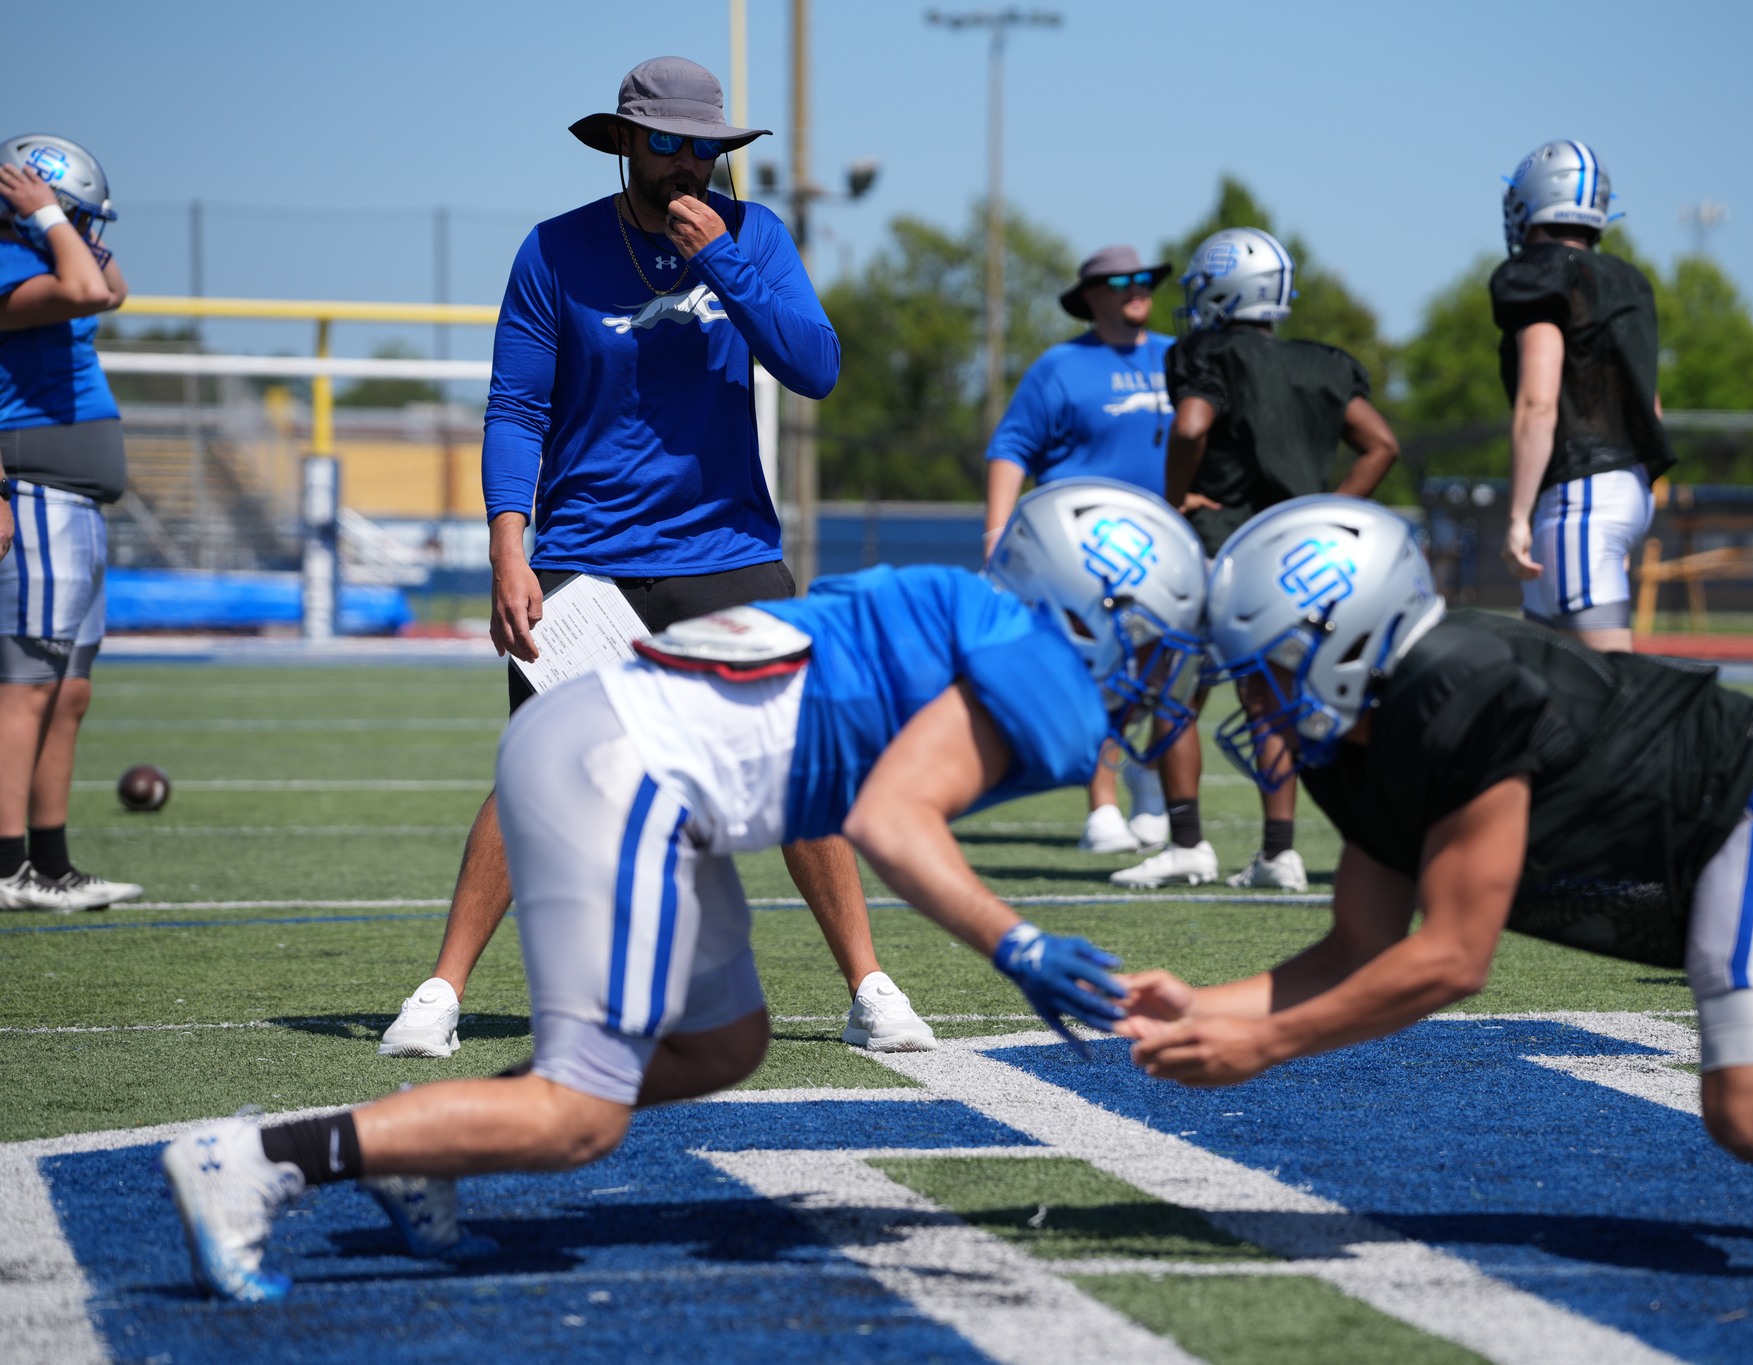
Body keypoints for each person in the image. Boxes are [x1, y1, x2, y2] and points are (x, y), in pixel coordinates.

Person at [159, 479, 1208, 1303]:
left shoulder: (948, 600)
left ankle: (429, 1143)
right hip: (624, 772)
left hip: (618, 746)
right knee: (578, 1120)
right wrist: (1015, 943)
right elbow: (890, 818)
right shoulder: (1021, 659)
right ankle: (255, 1158)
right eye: (1150, 632)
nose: (1158, 665)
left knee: (725, 1043)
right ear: (1089, 604)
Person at [1119, 496, 1753, 1247]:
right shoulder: (1354, 739)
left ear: (1348, 636)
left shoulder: (1454, 690)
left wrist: (1264, 1046)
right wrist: (1202, 1009)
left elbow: (1450, 959)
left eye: (1266, 666)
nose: (1250, 696)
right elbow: (1356, 947)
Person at [378, 57, 935, 1057]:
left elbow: (814, 366)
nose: (689, 165)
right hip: (586, 558)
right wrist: (511, 545)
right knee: (542, 774)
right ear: (626, 144)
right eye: (668, 144)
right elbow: (514, 409)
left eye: (706, 149)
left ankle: (870, 988)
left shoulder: (755, 235)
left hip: (726, 550)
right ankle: (439, 993)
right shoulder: (553, 251)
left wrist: (724, 260)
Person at [1114, 226, 1399, 892]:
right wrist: (1324, 514)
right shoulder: (1323, 363)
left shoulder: (1205, 352)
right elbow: (1381, 443)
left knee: (1176, 686)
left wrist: (1177, 496)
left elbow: (1190, 424)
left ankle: (1187, 842)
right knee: (1270, 695)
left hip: (1220, 543)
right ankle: (1279, 852)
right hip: (1292, 555)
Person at [984, 244, 1176, 854]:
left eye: (1144, 279)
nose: (1137, 288)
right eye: (1121, 281)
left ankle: (1147, 778)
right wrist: (996, 537)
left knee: (1164, 674)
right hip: (1082, 552)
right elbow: (1011, 447)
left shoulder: (1180, 358)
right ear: (1091, 295)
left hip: (1166, 547)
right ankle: (1103, 807)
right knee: (1099, 677)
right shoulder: (1061, 366)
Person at [0, 134, 142, 914]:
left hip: (76, 501)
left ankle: (50, 865)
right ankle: (7, 863)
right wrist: (49, 213)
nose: (85, 231)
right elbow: (89, 289)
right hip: (38, 492)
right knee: (24, 687)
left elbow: (111, 285)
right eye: (73, 215)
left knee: (69, 688)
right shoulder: (12, 269)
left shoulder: (55, 258)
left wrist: (63, 219)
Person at [1492, 140, 1675, 653]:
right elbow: (1650, 407)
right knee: (1545, 690)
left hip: (1580, 493)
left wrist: (1516, 516)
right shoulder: (1626, 280)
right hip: (1627, 486)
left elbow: (1538, 402)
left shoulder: (1540, 275)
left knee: (1610, 695)